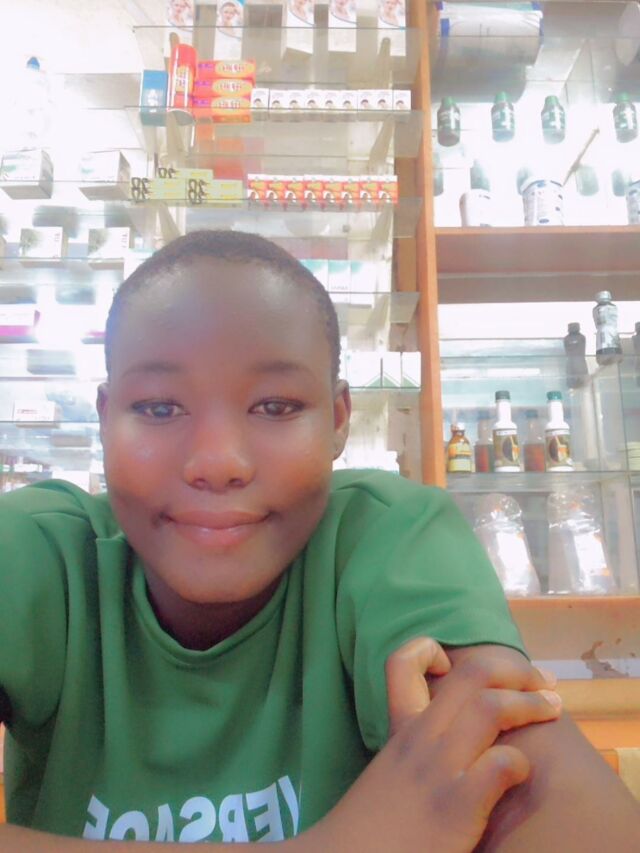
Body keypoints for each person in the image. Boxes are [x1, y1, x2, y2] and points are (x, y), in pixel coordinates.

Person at [0, 230, 639, 850]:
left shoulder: (390, 538)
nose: (218, 462)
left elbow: (557, 801)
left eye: (275, 407)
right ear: (105, 418)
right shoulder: (39, 552)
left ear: (337, 421)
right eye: (160, 408)